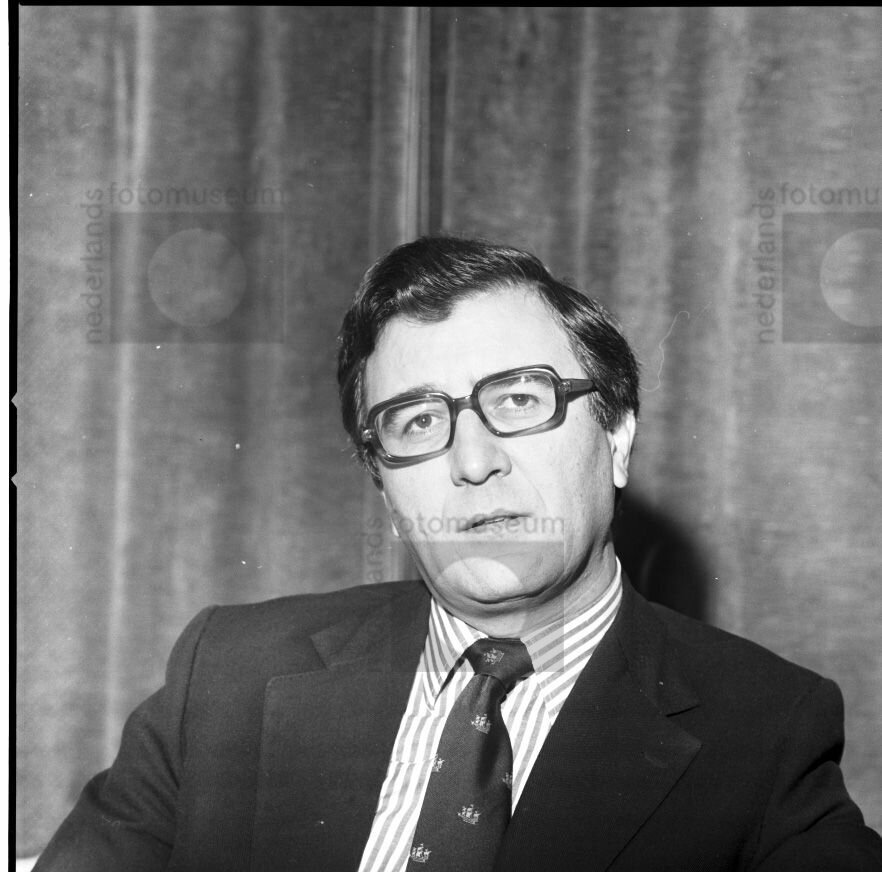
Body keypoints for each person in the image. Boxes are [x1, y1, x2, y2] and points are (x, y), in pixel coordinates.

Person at [35, 237, 882, 871]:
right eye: (417, 422)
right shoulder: (227, 675)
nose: (473, 462)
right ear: (382, 481)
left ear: (618, 434)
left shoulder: (765, 727)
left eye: (519, 399)